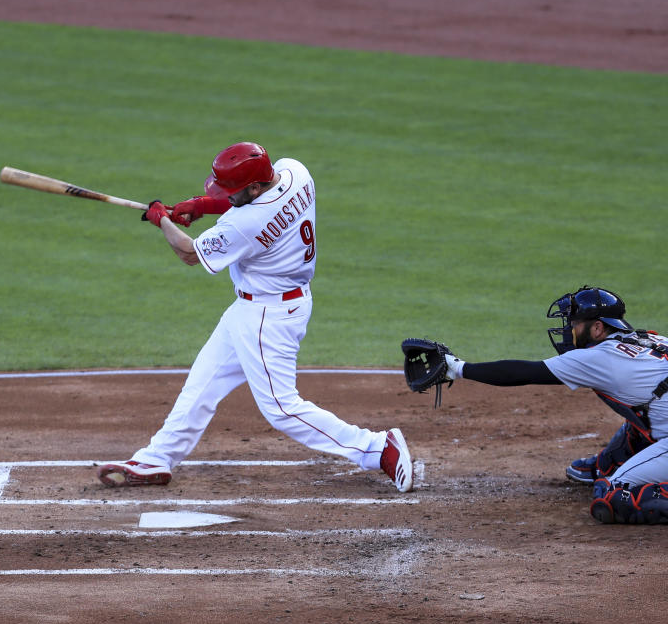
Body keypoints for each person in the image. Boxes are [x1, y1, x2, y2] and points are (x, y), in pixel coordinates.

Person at [96, 142, 414, 493]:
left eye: (231, 192)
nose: (225, 198)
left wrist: (163, 220)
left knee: (281, 408)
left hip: (268, 316)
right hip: (264, 306)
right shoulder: (295, 171)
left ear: (255, 187)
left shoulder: (245, 224)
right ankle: (158, 457)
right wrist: (204, 205)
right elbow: (245, 202)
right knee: (204, 381)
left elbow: (189, 252)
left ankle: (377, 447)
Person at [440, 285, 668, 524]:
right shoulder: (650, 339)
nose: (569, 331)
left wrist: (458, 368)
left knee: (615, 494)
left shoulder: (598, 357)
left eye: (575, 324)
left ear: (598, 327)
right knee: (639, 423)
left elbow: (524, 373)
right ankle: (612, 465)